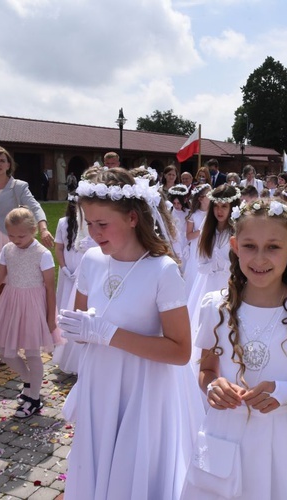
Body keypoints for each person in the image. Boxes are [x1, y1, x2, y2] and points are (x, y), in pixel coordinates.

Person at [181, 198, 287, 499]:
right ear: (234, 245)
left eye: (273, 247)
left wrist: (284, 392)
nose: (259, 259)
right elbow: (205, 370)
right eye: (249, 246)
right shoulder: (215, 307)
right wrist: (213, 385)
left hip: (285, 438)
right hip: (227, 432)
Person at [57, 167, 202, 499]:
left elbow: (180, 351)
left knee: (133, 465)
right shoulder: (92, 261)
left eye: (102, 224)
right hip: (99, 380)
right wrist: (79, 328)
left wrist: (108, 332)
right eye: (88, 223)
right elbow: (82, 324)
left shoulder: (162, 270)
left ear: (133, 218)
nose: (93, 233)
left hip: (143, 387)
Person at [0, 208, 56, 418]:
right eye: (11, 235)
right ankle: (28, 381)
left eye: (21, 236)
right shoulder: (7, 250)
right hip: (12, 304)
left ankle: (33, 397)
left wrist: (51, 319)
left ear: (33, 230)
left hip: (33, 305)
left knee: (32, 352)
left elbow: (50, 287)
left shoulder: (43, 254)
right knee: (7, 352)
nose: (16, 240)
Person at [0, 146, 54, 254]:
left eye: (2, 161)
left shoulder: (19, 187)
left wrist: (43, 229)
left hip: (12, 241)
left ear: (8, 165)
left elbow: (35, 207)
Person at [187, 184, 239, 333]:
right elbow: (200, 264)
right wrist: (214, 266)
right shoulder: (208, 229)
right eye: (216, 206)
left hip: (232, 285)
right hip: (209, 284)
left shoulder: (237, 230)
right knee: (208, 326)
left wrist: (225, 265)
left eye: (224, 206)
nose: (219, 210)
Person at [184, 183, 211, 292]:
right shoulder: (194, 215)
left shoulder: (212, 213)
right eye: (208, 194)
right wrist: (201, 231)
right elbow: (189, 236)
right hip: (197, 247)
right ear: (201, 198)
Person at [167, 184, 190, 264]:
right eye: (174, 203)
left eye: (179, 203)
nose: (176, 205)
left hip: (186, 242)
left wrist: (189, 245)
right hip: (174, 242)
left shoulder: (188, 213)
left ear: (184, 200)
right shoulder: (169, 212)